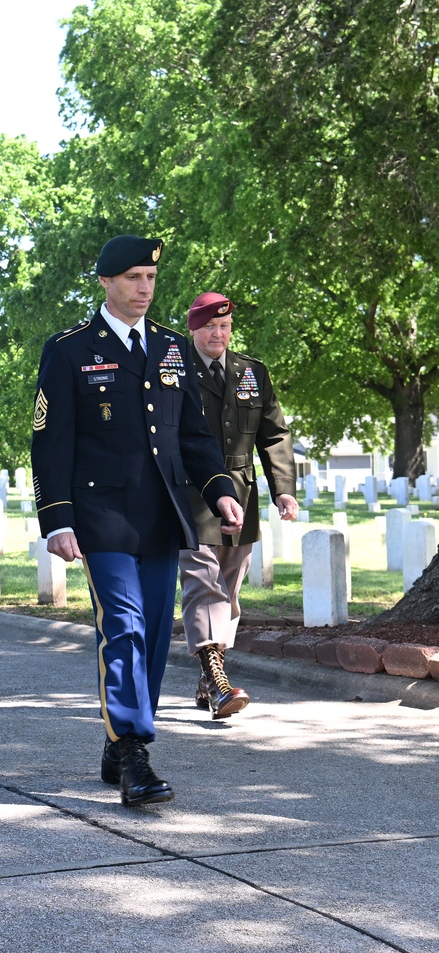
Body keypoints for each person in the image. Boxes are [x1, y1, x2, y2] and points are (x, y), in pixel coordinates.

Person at [31, 234, 243, 807]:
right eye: (132, 278)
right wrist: (57, 518)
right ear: (106, 282)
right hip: (101, 517)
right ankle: (132, 751)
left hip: (160, 515)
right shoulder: (70, 348)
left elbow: (193, 436)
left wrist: (219, 489)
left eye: (150, 279)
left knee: (150, 634)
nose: (144, 288)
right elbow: (50, 442)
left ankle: (119, 734)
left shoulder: (173, 349)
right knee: (121, 625)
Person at [180, 291, 299, 719]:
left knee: (228, 591)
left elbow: (274, 433)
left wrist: (283, 487)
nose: (218, 333)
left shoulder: (252, 371)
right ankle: (218, 682)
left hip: (241, 495)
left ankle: (209, 677)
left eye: (225, 326)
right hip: (189, 495)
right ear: (193, 328)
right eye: (209, 326)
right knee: (202, 582)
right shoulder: (173, 369)